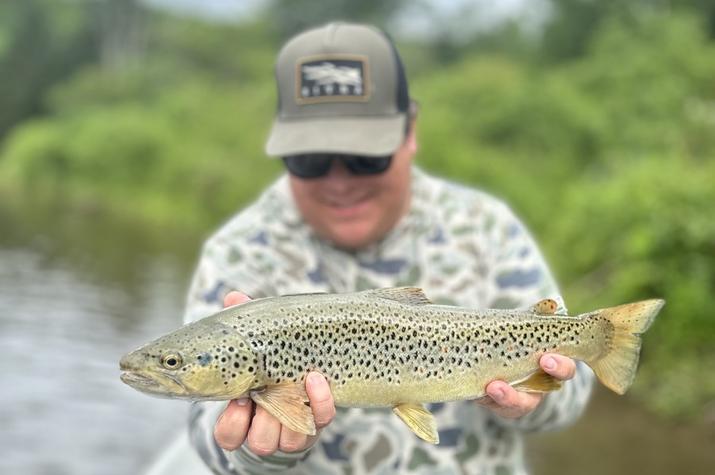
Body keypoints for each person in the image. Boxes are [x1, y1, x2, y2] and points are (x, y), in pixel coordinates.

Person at [183, 22, 593, 475]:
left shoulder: (486, 227)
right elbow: (207, 432)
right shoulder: (240, 250)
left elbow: (573, 392)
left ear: (410, 130)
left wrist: (534, 401)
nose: (339, 180)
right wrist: (262, 450)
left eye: (365, 156)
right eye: (311, 159)